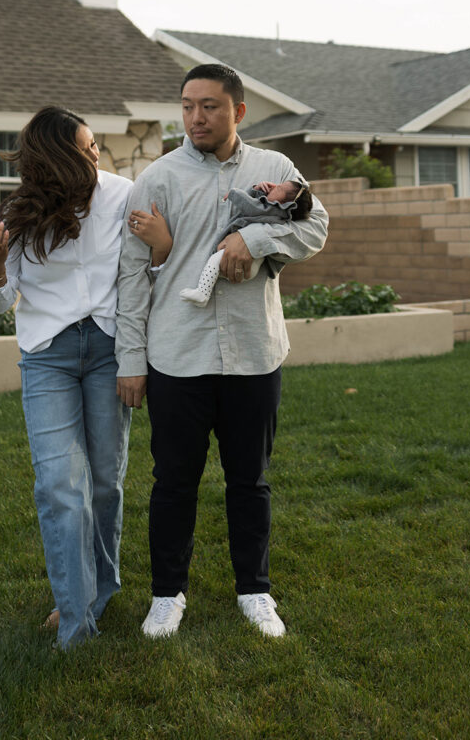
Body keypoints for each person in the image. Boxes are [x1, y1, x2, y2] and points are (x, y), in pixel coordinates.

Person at [115, 65, 328, 639]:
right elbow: (133, 278)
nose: (196, 117)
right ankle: (166, 595)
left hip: (255, 354)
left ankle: (254, 592)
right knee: (173, 483)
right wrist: (131, 361)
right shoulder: (156, 179)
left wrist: (251, 239)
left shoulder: (276, 169)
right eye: (187, 106)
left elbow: (316, 227)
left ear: (237, 111)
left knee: (250, 482)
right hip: (177, 357)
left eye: (209, 106)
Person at [0, 106, 166, 651]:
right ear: (53, 159)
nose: (94, 155)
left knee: (104, 483)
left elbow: (142, 276)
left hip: (108, 351)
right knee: (61, 487)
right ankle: (76, 622)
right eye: (83, 149)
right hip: (48, 356)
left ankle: (100, 591)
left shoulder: (123, 194)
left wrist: (134, 356)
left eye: (94, 145)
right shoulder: (15, 213)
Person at [178, 179, 313, 306]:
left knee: (214, 260)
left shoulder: (273, 211)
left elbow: (251, 206)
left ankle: (202, 293)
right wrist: (257, 190)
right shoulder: (276, 212)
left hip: (248, 263)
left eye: (280, 188)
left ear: (285, 204)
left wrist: (233, 193)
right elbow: (260, 203)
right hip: (252, 264)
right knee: (216, 263)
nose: (275, 186)